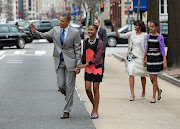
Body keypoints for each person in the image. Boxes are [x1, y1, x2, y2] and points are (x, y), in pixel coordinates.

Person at [30, 13, 82, 119]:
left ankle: (66, 110)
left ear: (68, 22)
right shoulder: (55, 30)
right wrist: (34, 32)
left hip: (71, 62)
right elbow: (43, 35)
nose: (60, 22)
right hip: (59, 61)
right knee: (61, 85)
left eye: (62, 21)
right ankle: (69, 96)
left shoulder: (75, 32)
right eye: (59, 20)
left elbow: (77, 49)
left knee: (70, 85)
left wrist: (78, 64)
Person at [112, 20, 147, 101]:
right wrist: (114, 27)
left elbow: (146, 47)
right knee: (131, 73)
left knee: (142, 75)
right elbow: (120, 35)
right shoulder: (132, 33)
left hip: (141, 57)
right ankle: (132, 94)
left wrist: (145, 58)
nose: (135, 27)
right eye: (134, 25)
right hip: (132, 57)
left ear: (140, 26)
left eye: (136, 26)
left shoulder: (145, 35)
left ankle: (143, 91)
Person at [75, 24, 103, 119]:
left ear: (96, 31)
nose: (90, 31)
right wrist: (79, 66)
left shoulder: (100, 43)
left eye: (92, 30)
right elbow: (84, 55)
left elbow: (97, 57)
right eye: (89, 29)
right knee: (87, 89)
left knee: (95, 88)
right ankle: (95, 106)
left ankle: (95, 110)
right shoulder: (85, 41)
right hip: (88, 67)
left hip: (97, 67)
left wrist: (84, 65)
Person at [143, 20, 167, 103]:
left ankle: (153, 96)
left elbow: (163, 49)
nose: (151, 28)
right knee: (151, 78)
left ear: (156, 27)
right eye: (150, 27)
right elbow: (147, 48)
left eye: (152, 27)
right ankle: (158, 91)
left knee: (155, 77)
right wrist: (144, 58)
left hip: (157, 58)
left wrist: (165, 61)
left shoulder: (160, 37)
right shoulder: (148, 36)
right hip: (150, 57)